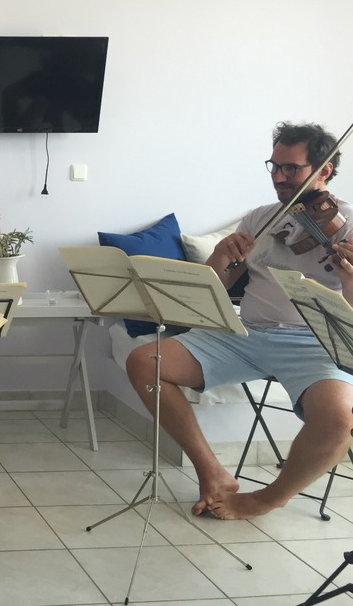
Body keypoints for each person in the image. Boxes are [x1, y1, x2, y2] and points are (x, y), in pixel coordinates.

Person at [126, 121, 353, 521]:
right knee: (144, 361)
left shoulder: (347, 224)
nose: (279, 178)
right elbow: (215, 288)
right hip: (244, 333)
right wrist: (219, 257)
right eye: (274, 166)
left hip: (312, 342)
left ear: (324, 171)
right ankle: (212, 473)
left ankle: (266, 498)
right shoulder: (260, 218)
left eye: (291, 169)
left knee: (339, 420)